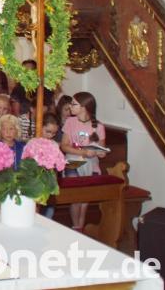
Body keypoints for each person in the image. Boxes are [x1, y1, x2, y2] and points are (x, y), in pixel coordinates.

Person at [61, 92, 106, 231]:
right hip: (73, 161)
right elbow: (64, 146)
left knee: (85, 199)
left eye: (74, 104)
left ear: (84, 107)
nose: (70, 106)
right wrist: (83, 152)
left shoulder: (98, 126)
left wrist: (100, 152)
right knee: (76, 195)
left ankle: (80, 226)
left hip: (91, 164)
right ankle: (76, 227)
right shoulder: (70, 122)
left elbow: (102, 151)